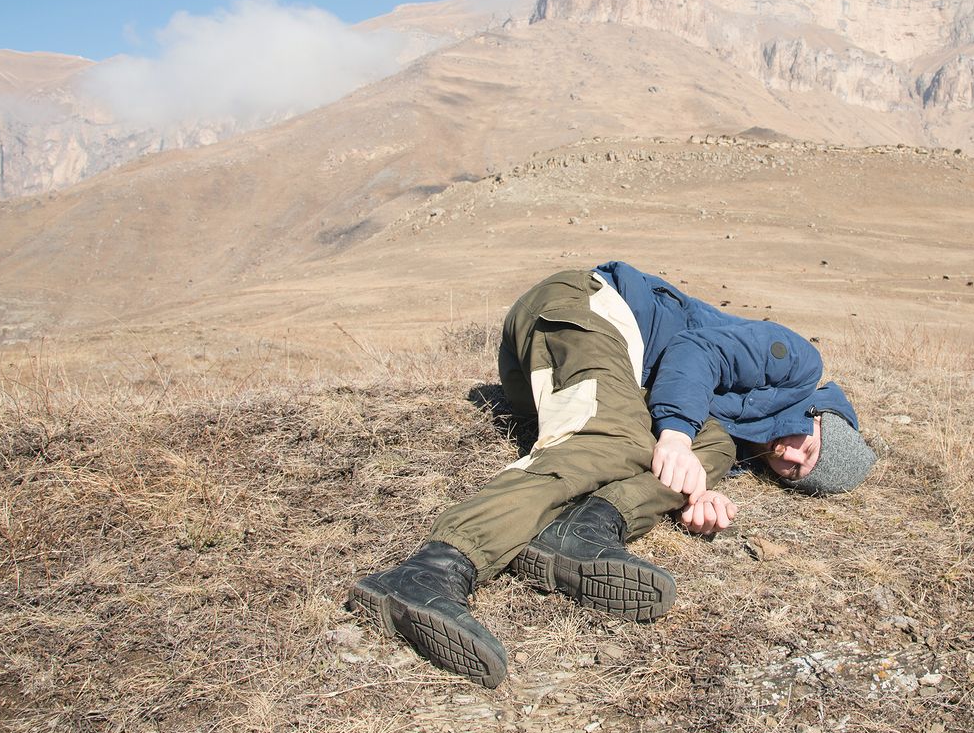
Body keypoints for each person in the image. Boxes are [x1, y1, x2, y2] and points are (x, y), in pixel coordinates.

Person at [349, 261, 876, 687]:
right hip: (584, 311)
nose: (787, 458)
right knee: (617, 438)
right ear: (820, 417)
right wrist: (675, 435)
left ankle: (584, 527)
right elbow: (696, 350)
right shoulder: (798, 364)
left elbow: (700, 446)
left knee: (710, 450)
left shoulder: (744, 439)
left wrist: (696, 496)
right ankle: (434, 568)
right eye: (807, 449)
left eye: (794, 473)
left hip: (592, 367)